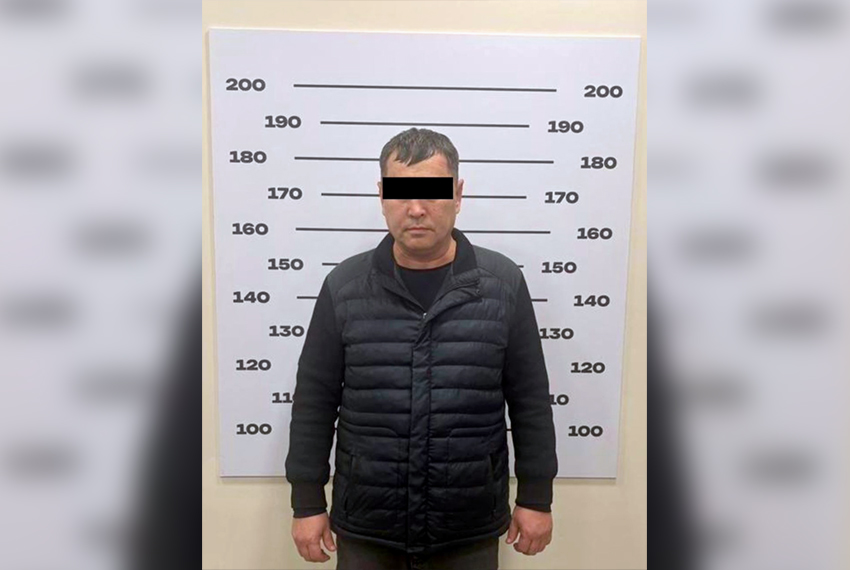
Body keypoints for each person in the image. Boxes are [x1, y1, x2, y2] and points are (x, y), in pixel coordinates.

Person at [285, 128, 557, 569]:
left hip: (466, 525)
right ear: (382, 196)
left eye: (432, 191)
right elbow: (314, 402)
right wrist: (306, 501)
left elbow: (530, 401)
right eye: (400, 193)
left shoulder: (502, 285)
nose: (415, 208)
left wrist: (536, 497)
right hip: (369, 524)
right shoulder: (344, 287)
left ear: (458, 194)